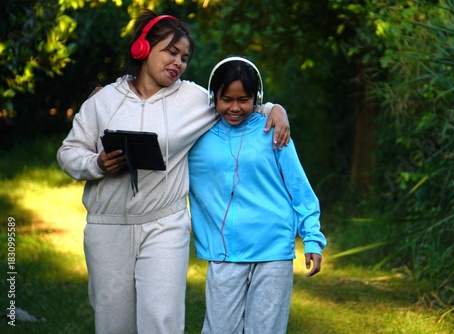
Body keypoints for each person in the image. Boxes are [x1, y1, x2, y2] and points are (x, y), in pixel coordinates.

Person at [56, 11, 290, 334]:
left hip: (165, 224)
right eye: (171, 51)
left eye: (184, 57)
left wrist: (276, 110)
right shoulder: (104, 101)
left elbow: (236, 104)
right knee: (113, 322)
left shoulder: (194, 99)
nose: (178, 63)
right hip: (108, 227)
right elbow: (68, 153)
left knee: (161, 320)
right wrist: (96, 164)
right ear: (142, 48)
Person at [188, 56, 327, 334]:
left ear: (257, 98)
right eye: (227, 99)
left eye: (244, 100)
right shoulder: (196, 138)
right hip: (223, 252)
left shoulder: (274, 131)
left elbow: (299, 187)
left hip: (273, 249)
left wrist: (312, 238)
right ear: (213, 96)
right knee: (219, 329)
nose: (236, 108)